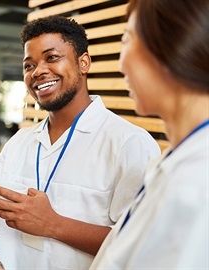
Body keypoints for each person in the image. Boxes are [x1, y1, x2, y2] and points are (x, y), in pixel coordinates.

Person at [0, 15, 161, 269]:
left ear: (83, 62)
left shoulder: (128, 143)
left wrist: (53, 224)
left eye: (52, 57)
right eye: (29, 65)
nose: (38, 71)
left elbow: (143, 244)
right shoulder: (21, 142)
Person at [90, 0, 209, 268]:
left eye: (127, 39)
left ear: (171, 46)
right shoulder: (175, 162)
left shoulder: (198, 183)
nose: (120, 65)